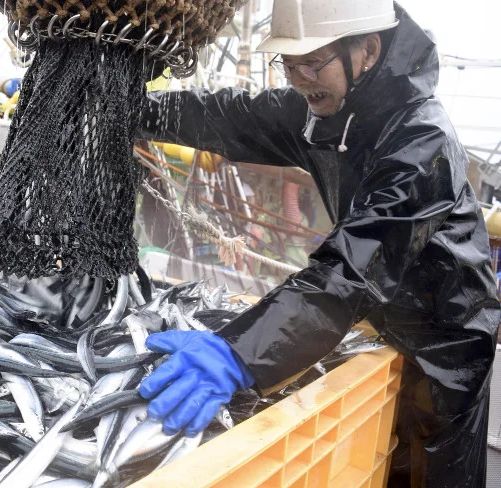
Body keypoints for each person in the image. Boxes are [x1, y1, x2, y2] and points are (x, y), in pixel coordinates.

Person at [137, 1, 500, 486]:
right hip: (382, 318)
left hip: (447, 342)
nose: (299, 78)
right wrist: (137, 110)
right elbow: (231, 118)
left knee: (431, 471)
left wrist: (240, 354)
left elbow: (351, 269)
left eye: (312, 62)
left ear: (368, 51)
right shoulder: (324, 111)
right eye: (288, 64)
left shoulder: (421, 142)